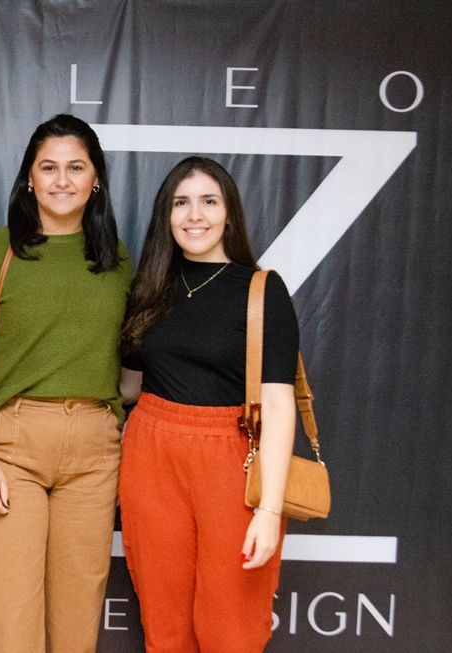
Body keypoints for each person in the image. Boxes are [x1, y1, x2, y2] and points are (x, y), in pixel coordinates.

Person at [0, 114, 133, 653]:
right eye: (47, 167)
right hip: (12, 448)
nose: (61, 180)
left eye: (76, 167)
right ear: (28, 177)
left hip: (96, 451)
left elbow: (127, 358)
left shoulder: (115, 258)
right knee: (9, 627)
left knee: (76, 627)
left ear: (96, 177)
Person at [118, 156, 298, 652]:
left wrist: (268, 508)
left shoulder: (262, 290)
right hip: (150, 452)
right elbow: (131, 386)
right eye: (181, 203)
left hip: (231, 460)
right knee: (165, 623)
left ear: (229, 214)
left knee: (230, 626)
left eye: (208, 201)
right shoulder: (151, 287)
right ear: (167, 215)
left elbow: (280, 406)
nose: (194, 215)